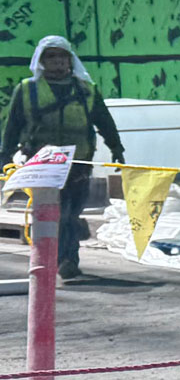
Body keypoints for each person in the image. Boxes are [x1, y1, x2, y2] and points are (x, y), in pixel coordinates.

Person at [3, 35, 123, 281]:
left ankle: (68, 260)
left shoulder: (87, 90)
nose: (57, 61)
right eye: (51, 56)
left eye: (62, 56)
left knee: (70, 212)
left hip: (78, 162)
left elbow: (104, 122)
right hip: (41, 164)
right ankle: (52, 259)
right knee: (50, 213)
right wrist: (3, 156)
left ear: (70, 60)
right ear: (42, 60)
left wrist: (117, 148)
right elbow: (12, 126)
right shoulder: (26, 90)